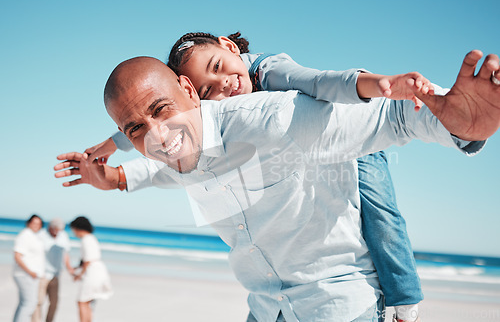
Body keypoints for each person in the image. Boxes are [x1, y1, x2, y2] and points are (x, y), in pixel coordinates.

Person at [55, 51, 499, 321]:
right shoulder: (176, 153)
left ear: (189, 91)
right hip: (268, 310)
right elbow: (154, 172)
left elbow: (390, 116)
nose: (157, 134)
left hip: (341, 308)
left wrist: (458, 123)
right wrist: (108, 179)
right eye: (135, 128)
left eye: (161, 109)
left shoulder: (272, 117)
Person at [70, 216, 113, 322]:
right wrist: (78, 267)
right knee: (87, 302)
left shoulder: (86, 239)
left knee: (82, 301)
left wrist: (79, 275)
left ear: (78, 228)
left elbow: (88, 260)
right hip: (99, 271)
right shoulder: (91, 238)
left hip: (93, 272)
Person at [33, 218, 73, 322]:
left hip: (56, 274)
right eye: (55, 229)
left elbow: (66, 253)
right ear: (50, 228)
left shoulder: (63, 236)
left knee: (54, 302)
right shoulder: (41, 235)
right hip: (42, 274)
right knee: (39, 301)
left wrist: (69, 268)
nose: (57, 232)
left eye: (59, 230)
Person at [13, 215, 45, 322]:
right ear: (29, 223)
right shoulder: (25, 235)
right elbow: (17, 256)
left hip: (30, 275)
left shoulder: (33, 236)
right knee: (29, 304)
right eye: (34, 223)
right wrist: (30, 272)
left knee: (24, 303)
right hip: (25, 275)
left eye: (39, 224)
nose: (36, 226)